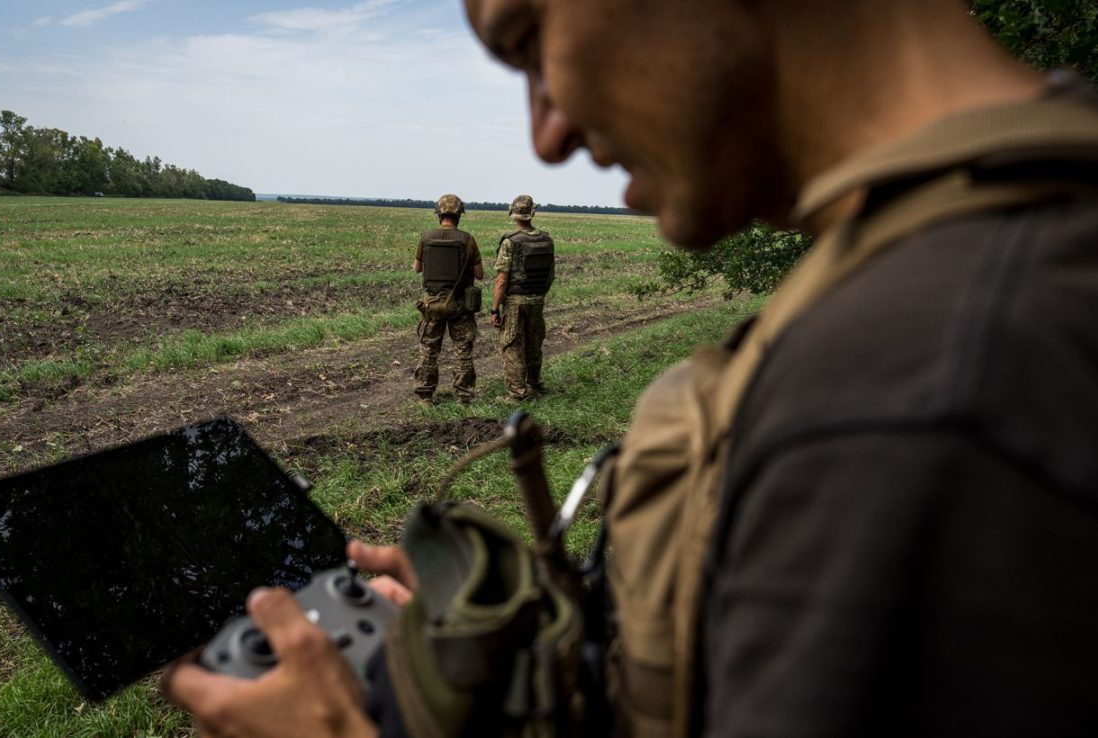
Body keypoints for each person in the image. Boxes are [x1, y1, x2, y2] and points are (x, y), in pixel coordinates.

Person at [164, 1, 1098, 736]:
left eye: (532, 37)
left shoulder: (914, 391)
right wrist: (544, 649)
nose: (549, 131)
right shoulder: (947, 277)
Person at [412, 194, 484, 405]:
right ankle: (464, 396)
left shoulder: (425, 238)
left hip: (432, 304)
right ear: (459, 215)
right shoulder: (467, 240)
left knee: (428, 350)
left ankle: (425, 396)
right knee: (462, 350)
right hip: (459, 304)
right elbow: (479, 274)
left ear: (439, 214)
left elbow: (417, 268)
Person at [491, 194, 555, 401]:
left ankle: (518, 393)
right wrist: (539, 296)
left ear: (513, 214)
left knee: (512, 346)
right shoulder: (546, 240)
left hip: (516, 303)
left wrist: (495, 308)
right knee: (534, 344)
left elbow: (501, 280)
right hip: (537, 300)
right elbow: (550, 275)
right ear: (532, 213)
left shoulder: (510, 242)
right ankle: (534, 385)